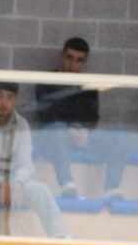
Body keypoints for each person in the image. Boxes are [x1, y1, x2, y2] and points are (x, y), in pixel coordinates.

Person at [0, 82, 71, 239]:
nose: (4, 103)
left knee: (41, 190)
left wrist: (18, 182)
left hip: (13, 182)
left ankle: (61, 237)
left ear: (16, 100)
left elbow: (26, 165)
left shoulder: (21, 125)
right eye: (0, 97)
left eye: (9, 98)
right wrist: (2, 181)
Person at [35, 37, 129, 200]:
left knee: (120, 138)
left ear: (84, 62)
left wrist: (84, 131)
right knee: (57, 128)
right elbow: (46, 115)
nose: (73, 64)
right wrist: (70, 129)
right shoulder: (47, 80)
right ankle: (67, 184)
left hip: (82, 137)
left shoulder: (88, 85)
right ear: (62, 56)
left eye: (79, 60)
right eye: (69, 58)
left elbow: (92, 117)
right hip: (55, 137)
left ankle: (112, 188)